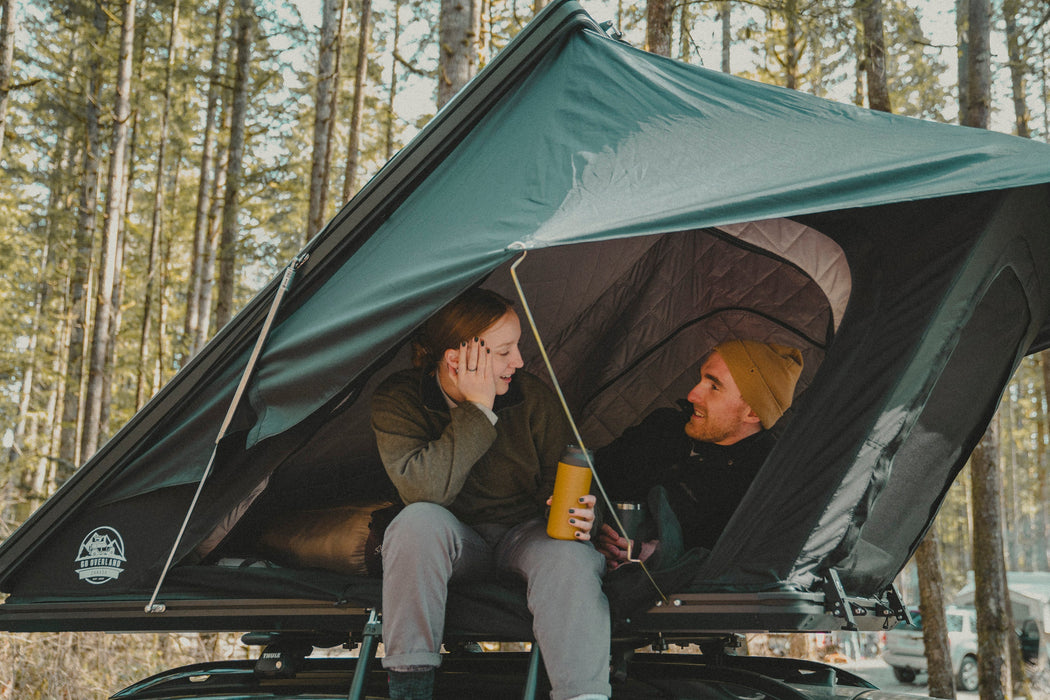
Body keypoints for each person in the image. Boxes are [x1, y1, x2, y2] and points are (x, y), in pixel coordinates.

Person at [370, 288, 611, 700]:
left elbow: (573, 483)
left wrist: (589, 515)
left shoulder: (531, 395)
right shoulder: (399, 400)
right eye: (505, 352)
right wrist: (479, 412)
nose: (518, 361)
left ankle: (584, 695)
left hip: (525, 534)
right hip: (455, 538)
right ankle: (411, 688)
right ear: (456, 359)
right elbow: (423, 489)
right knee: (413, 524)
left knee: (571, 555)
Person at [595, 339, 803, 570]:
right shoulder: (663, 426)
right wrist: (593, 522)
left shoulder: (763, 481)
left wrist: (655, 553)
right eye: (701, 379)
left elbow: (730, 564)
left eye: (714, 387)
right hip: (586, 554)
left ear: (753, 413)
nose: (693, 394)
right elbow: (596, 474)